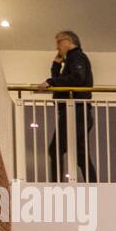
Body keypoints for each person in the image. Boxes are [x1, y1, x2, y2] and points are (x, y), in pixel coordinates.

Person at [44, 30, 96, 182]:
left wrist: (51, 82)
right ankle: (92, 185)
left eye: (59, 43)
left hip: (75, 111)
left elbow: (77, 79)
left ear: (68, 41)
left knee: (56, 149)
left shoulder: (77, 57)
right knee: (80, 153)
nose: (57, 47)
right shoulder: (72, 60)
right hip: (75, 111)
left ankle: (57, 184)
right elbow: (63, 81)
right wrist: (55, 65)